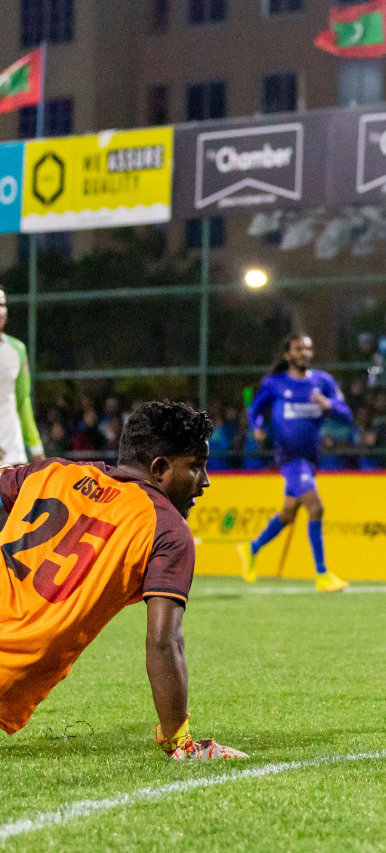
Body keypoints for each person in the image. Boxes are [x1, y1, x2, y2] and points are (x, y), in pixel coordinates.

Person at [0, 401, 243, 759]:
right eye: (196, 466)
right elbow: (164, 642)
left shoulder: (51, 472)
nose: (205, 480)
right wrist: (180, 742)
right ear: (160, 468)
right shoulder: (167, 529)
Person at [237, 334, 353, 592]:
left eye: (308, 348)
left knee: (288, 513)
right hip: (289, 458)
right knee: (316, 509)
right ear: (287, 354)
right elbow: (254, 409)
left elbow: (347, 415)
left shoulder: (323, 382)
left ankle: (251, 547)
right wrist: (256, 427)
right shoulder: (274, 383)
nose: (304, 353)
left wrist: (328, 404)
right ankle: (322, 575)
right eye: (298, 349)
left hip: (311, 459)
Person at [0, 289, 44, 468]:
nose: (0, 311)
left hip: (13, 451)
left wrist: (36, 449)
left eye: (2, 305)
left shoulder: (17, 349)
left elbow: (23, 402)